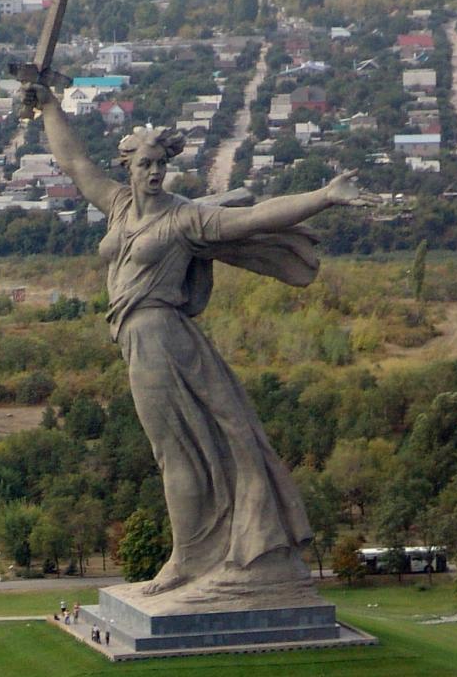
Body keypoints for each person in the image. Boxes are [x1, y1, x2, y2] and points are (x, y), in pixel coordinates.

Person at [27, 87, 375, 607]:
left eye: (160, 165)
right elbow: (76, 163)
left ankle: (186, 561)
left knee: (176, 453)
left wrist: (324, 196)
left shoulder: (185, 218)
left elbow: (256, 218)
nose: (154, 173)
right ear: (129, 167)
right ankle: (198, 555)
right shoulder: (119, 206)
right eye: (145, 164)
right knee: (185, 450)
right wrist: (49, 105)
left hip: (161, 337)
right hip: (139, 340)